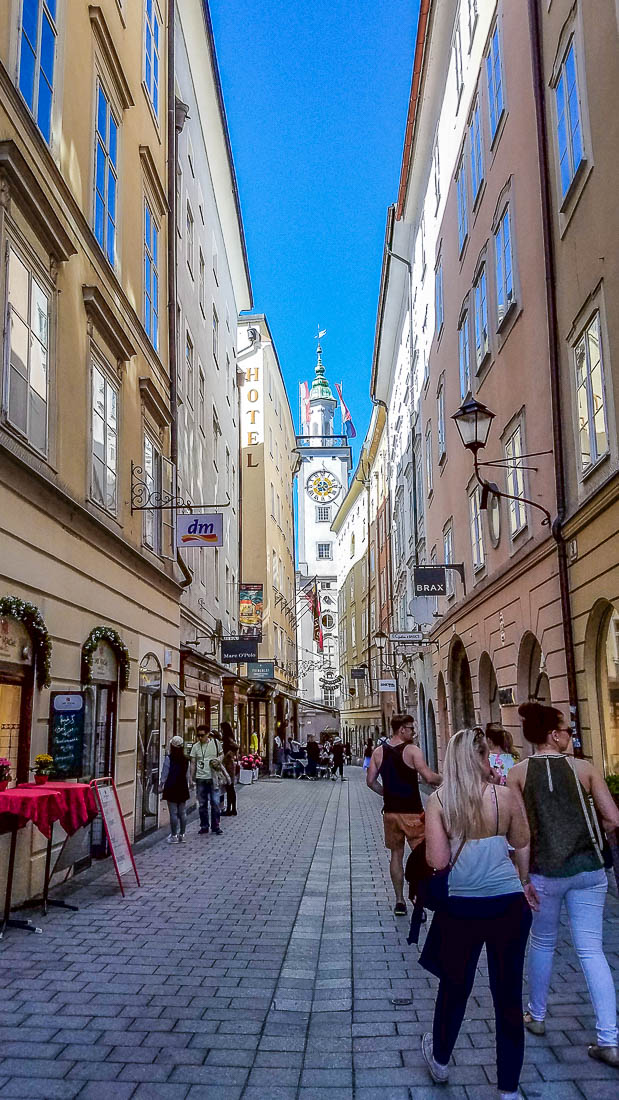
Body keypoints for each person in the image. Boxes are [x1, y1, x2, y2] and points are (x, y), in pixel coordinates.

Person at [419, 728, 532, 1100]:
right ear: (485, 757)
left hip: (462, 907)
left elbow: (436, 860)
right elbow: (521, 840)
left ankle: (440, 1058)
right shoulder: (506, 795)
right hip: (508, 904)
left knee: (455, 986)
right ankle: (509, 1088)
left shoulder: (438, 801)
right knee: (508, 994)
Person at [507, 702, 619, 1067]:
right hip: (589, 869)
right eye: (567, 731)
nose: (570, 736)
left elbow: (520, 834)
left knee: (542, 942)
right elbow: (613, 817)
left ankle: (536, 1017)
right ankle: (609, 1039)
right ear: (553, 735)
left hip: (544, 870)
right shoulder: (584, 769)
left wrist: (523, 878)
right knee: (591, 950)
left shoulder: (518, 773)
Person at [367, 714, 441, 915]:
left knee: (396, 855)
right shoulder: (412, 750)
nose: (413, 731)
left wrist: (386, 793)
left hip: (390, 812)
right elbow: (428, 777)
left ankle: (399, 901)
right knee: (422, 856)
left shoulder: (378, 752)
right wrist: (447, 778)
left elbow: (370, 781)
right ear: (401, 729)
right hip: (413, 813)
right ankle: (418, 898)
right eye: (410, 728)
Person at [190, 725, 222, 835]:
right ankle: (204, 826)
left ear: (208, 734)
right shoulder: (195, 747)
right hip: (200, 779)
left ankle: (215, 826)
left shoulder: (216, 743)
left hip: (213, 778)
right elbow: (193, 763)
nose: (200, 738)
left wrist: (217, 760)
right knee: (202, 804)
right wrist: (191, 778)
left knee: (215, 803)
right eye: (198, 735)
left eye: (202, 735)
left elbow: (222, 755)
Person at [160, 735, 190, 843]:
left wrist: (161, 785)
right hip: (182, 786)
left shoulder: (169, 758)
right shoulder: (186, 759)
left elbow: (165, 773)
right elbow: (187, 775)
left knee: (173, 812)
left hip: (171, 786)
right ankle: (182, 834)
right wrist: (189, 784)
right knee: (182, 812)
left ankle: (174, 836)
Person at [222, 737, 239, 816]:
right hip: (229, 767)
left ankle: (231, 809)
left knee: (230, 789)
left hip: (229, 768)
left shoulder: (228, 741)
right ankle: (232, 809)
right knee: (230, 789)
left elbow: (236, 746)